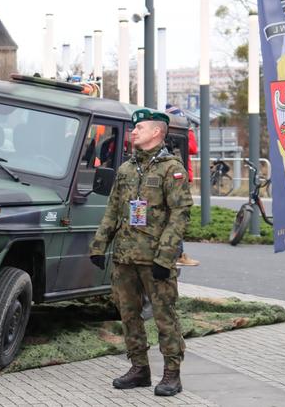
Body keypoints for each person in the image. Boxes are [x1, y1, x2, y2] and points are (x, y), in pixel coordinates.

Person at [89, 109, 193, 395]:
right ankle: (139, 369)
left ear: (157, 132)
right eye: (134, 128)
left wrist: (165, 256)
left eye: (140, 128)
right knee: (128, 314)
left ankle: (172, 373)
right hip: (125, 257)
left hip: (155, 259)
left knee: (164, 316)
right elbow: (112, 210)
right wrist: (99, 245)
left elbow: (180, 215)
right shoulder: (126, 169)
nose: (133, 132)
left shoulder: (172, 169)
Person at [165, 104, 200, 267]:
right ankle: (178, 254)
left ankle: (176, 253)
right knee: (178, 216)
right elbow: (192, 148)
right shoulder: (181, 134)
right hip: (179, 179)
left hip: (176, 177)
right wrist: (189, 131)